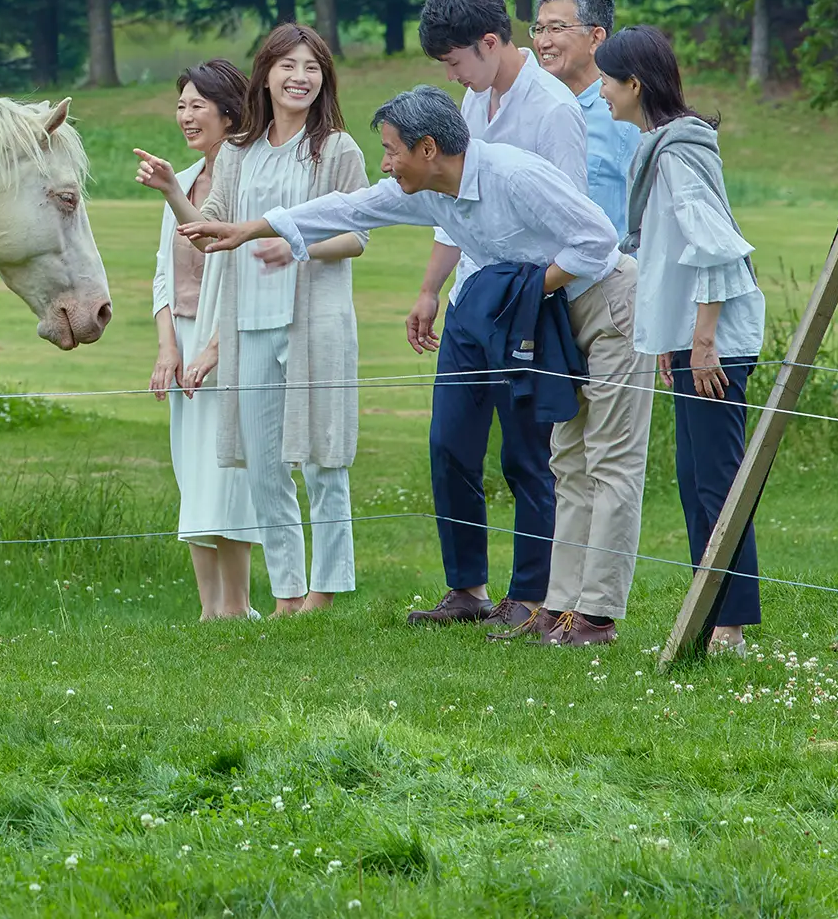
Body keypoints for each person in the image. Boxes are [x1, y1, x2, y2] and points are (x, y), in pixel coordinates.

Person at [186, 85, 640, 648]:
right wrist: (250, 229)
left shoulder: (512, 174)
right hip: (548, 312)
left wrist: (525, 290)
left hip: (606, 304)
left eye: (391, 150)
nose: (385, 163)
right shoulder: (430, 191)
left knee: (610, 462)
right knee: (567, 461)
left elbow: (597, 240)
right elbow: (348, 208)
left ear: (428, 149)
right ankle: (560, 609)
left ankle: (597, 616)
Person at [141, 24, 367, 617]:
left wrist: (298, 244)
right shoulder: (241, 152)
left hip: (316, 323)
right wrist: (171, 188)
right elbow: (208, 228)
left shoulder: (338, 150)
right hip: (250, 326)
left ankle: (325, 592)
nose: (301, 78)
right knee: (265, 467)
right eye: (289, 65)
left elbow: (355, 238)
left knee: (322, 459)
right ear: (266, 73)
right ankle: (288, 594)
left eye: (312, 67)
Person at [404, 0, 588, 630]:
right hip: (468, 300)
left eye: (455, 61)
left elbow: (575, 219)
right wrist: (430, 287)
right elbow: (455, 206)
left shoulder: (553, 110)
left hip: (526, 299)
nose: (452, 74)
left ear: (489, 43)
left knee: (525, 453)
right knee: (449, 442)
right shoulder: (473, 101)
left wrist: (535, 296)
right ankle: (467, 589)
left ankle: (531, 593)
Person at [598, 25, 768, 654]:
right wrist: (676, 345)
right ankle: (708, 616)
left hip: (715, 342)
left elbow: (715, 252)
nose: (603, 94)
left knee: (718, 483)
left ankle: (730, 626)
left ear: (635, 84)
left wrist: (701, 344)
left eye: (608, 82)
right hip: (691, 340)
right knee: (695, 478)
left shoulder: (675, 155)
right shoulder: (662, 148)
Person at [134, 60, 260, 621]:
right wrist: (168, 347)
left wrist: (214, 346)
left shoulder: (247, 178)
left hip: (229, 337)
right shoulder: (182, 180)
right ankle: (209, 609)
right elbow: (164, 272)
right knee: (192, 474)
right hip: (184, 340)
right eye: (181, 105)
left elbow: (240, 267)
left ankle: (238, 605)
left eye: (197, 105)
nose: (186, 116)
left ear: (229, 112)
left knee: (227, 474)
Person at [533, 0, 641, 238]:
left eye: (557, 29)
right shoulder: (532, 108)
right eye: (538, 29)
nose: (543, 42)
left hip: (612, 274)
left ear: (596, 38)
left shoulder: (626, 115)